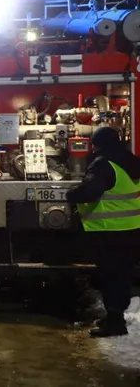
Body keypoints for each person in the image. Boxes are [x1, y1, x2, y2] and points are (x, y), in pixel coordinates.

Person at [67, 126, 140, 338]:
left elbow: (88, 192)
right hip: (131, 229)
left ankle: (115, 324)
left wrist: (70, 195)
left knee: (111, 277)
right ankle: (114, 316)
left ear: (97, 144)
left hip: (111, 232)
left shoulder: (103, 163)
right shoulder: (131, 161)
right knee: (122, 276)